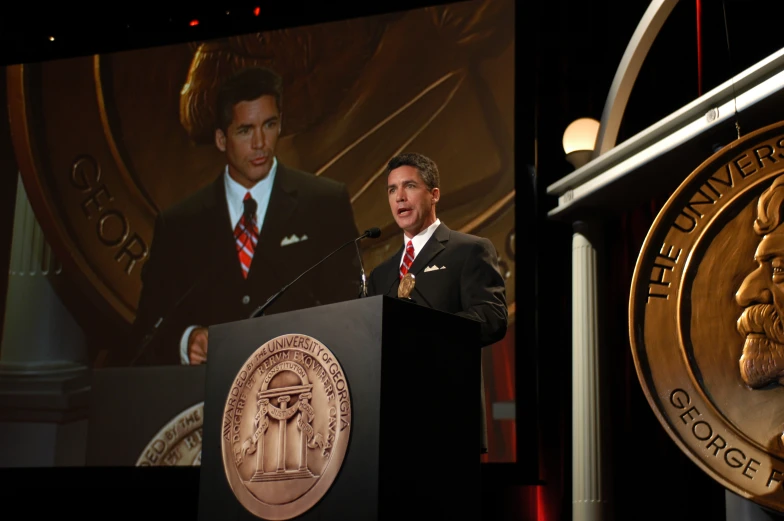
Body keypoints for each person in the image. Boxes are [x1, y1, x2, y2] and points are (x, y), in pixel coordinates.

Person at [130, 66, 360, 366]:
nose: (260, 143)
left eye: (269, 125)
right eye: (245, 130)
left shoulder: (325, 204)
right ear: (221, 139)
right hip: (210, 401)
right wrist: (187, 342)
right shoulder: (178, 225)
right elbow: (146, 330)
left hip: (304, 391)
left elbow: (354, 311)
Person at [366, 152, 508, 454]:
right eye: (392, 190)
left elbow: (492, 317)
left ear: (434, 195)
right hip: (389, 427)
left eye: (409, 187)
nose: (400, 198)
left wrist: (427, 331)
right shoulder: (380, 274)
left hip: (447, 417)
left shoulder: (469, 250)